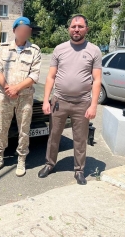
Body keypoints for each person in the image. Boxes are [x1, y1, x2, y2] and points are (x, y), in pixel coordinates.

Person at [38, 15, 102, 185]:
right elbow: (51, 76)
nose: (76, 29)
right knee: (53, 135)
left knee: (80, 138)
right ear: (69, 28)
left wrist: (93, 105)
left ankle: (79, 170)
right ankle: (49, 164)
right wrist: (46, 100)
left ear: (86, 29)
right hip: (59, 101)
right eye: (74, 26)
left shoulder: (94, 50)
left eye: (80, 26)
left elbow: (97, 80)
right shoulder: (59, 49)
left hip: (82, 103)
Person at [0, 17, 41, 177]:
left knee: (24, 130)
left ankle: (21, 159)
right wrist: (7, 88)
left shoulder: (35, 50)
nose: (23, 32)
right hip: (5, 97)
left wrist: (17, 88)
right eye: (20, 30)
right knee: (2, 128)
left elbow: (34, 75)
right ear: (14, 31)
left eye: (26, 30)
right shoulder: (4, 48)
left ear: (29, 32)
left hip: (24, 98)